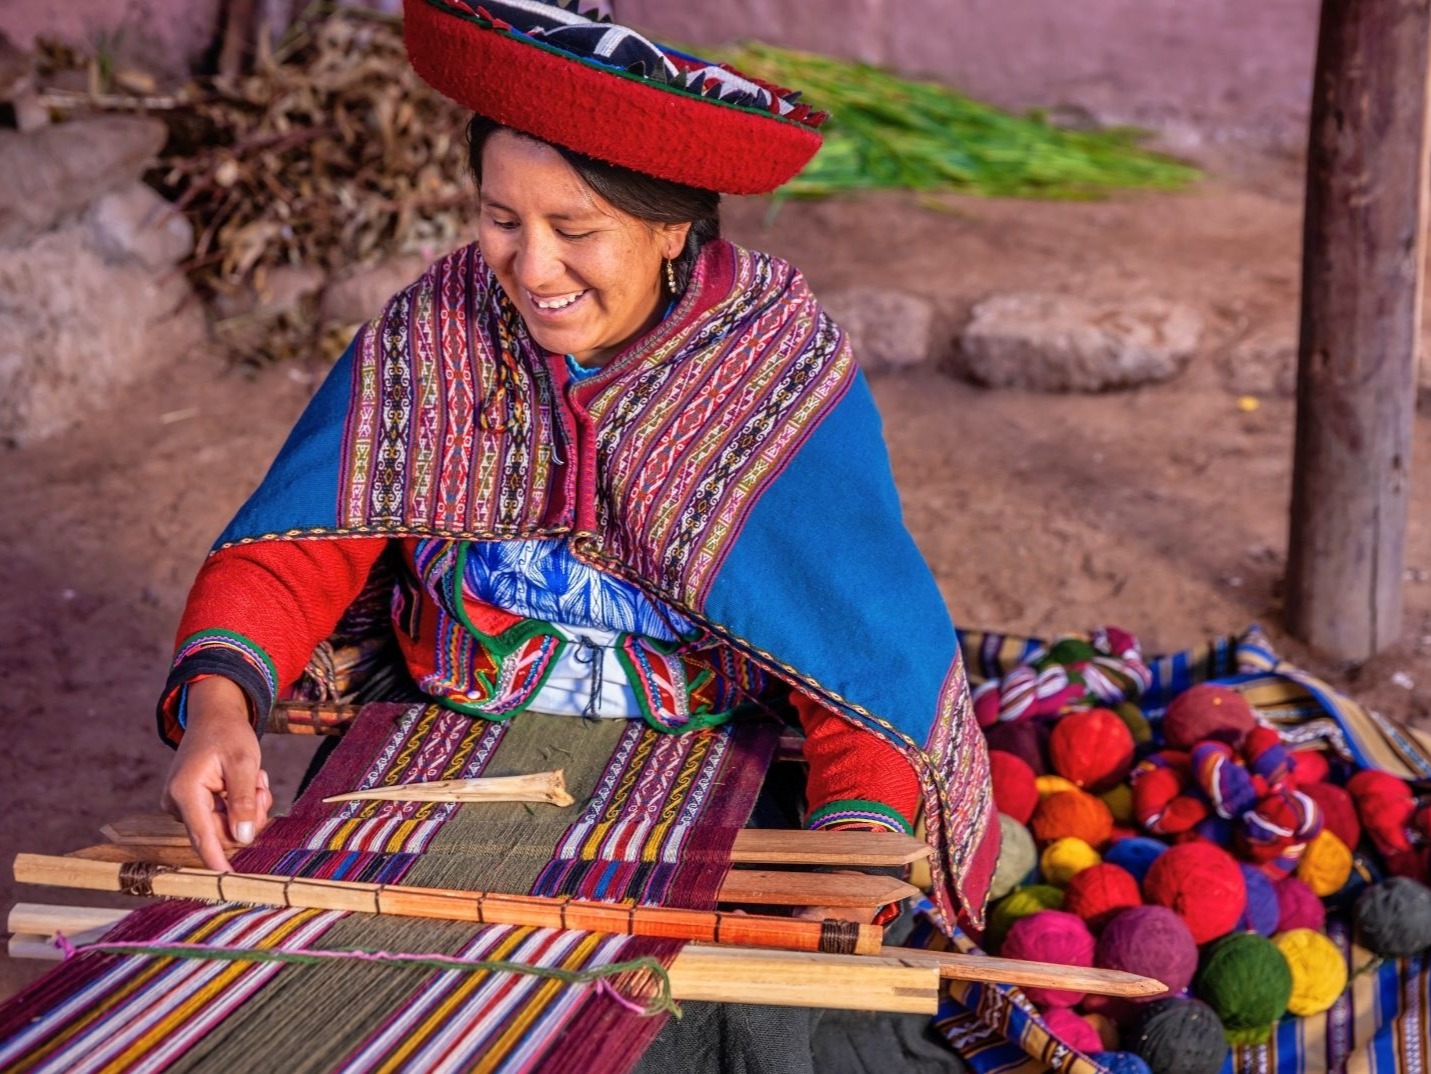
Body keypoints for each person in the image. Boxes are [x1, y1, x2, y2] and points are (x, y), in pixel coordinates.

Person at [159, 0, 994, 996]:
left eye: (575, 229)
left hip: (710, 754)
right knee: (326, 984)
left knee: (706, 1016)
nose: (530, 267)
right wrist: (219, 707)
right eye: (500, 219)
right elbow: (305, 540)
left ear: (672, 227)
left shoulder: (771, 364)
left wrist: (849, 849)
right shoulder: (439, 328)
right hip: (446, 731)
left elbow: (852, 644)